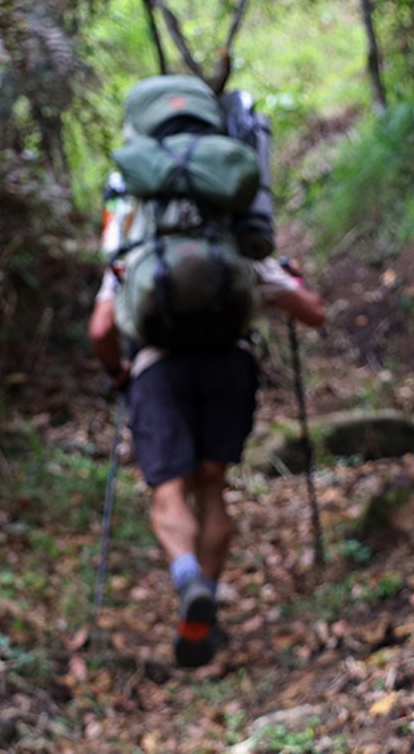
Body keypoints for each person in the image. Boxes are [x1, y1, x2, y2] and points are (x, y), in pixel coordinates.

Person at [89, 234, 325, 667]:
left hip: (157, 370)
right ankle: (205, 610)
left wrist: (119, 375)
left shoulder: (136, 249)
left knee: (169, 489)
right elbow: (313, 313)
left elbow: (101, 330)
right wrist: (291, 280)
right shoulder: (236, 244)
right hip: (229, 365)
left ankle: (188, 579)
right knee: (212, 485)